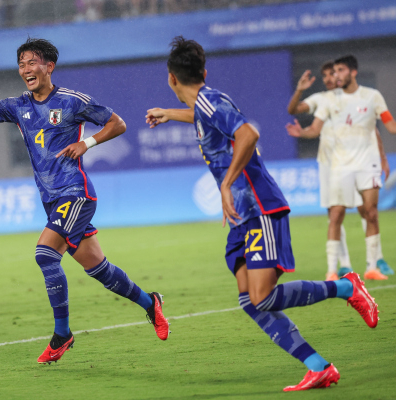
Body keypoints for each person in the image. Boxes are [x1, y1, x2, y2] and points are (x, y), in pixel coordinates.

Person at [145, 37, 379, 392]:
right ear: (202, 73)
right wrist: (169, 113)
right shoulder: (207, 102)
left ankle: (347, 287)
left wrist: (226, 184)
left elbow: (248, 133)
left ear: (171, 78)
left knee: (263, 297)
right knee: (249, 300)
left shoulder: (210, 101)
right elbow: (204, 115)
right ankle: (318, 367)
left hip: (259, 207)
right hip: (243, 215)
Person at [0, 37, 169, 364]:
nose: (25, 70)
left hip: (76, 194)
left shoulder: (72, 101)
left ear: (49, 66)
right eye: (21, 64)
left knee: (45, 254)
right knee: (99, 270)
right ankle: (151, 303)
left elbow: (117, 123)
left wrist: (87, 142)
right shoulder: (19, 105)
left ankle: (63, 334)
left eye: (31, 62)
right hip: (52, 201)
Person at [286, 55, 396, 281]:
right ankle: (333, 270)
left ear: (353, 72)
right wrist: (303, 132)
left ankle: (372, 266)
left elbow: (388, 125)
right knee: (336, 214)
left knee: (371, 212)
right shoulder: (327, 99)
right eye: (333, 71)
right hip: (339, 165)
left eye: (339, 70)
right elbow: (314, 128)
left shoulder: (372, 96)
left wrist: (383, 157)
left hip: (367, 162)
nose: (335, 75)